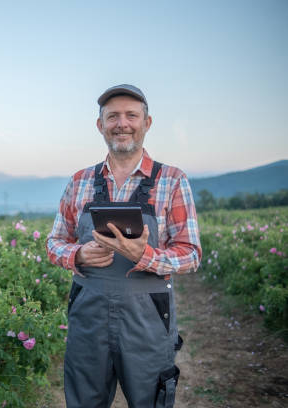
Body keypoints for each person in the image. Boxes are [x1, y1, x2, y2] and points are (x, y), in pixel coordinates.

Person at [46, 84, 201, 408]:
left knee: (150, 401)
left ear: (147, 123)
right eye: (112, 116)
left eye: (132, 115)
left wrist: (145, 256)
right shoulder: (79, 181)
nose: (122, 123)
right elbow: (55, 242)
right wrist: (78, 254)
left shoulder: (171, 180)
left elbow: (190, 254)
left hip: (146, 319)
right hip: (88, 317)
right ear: (100, 125)